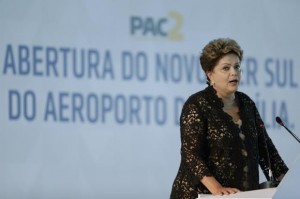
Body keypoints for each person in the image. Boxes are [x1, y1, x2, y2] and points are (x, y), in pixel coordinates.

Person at [170, 38, 288, 199]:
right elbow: (190, 155)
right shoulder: (197, 105)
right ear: (209, 74)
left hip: (240, 196)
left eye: (237, 67)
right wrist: (217, 189)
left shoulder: (247, 103)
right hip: (201, 195)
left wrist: (287, 181)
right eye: (226, 68)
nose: (234, 72)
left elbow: (266, 149)